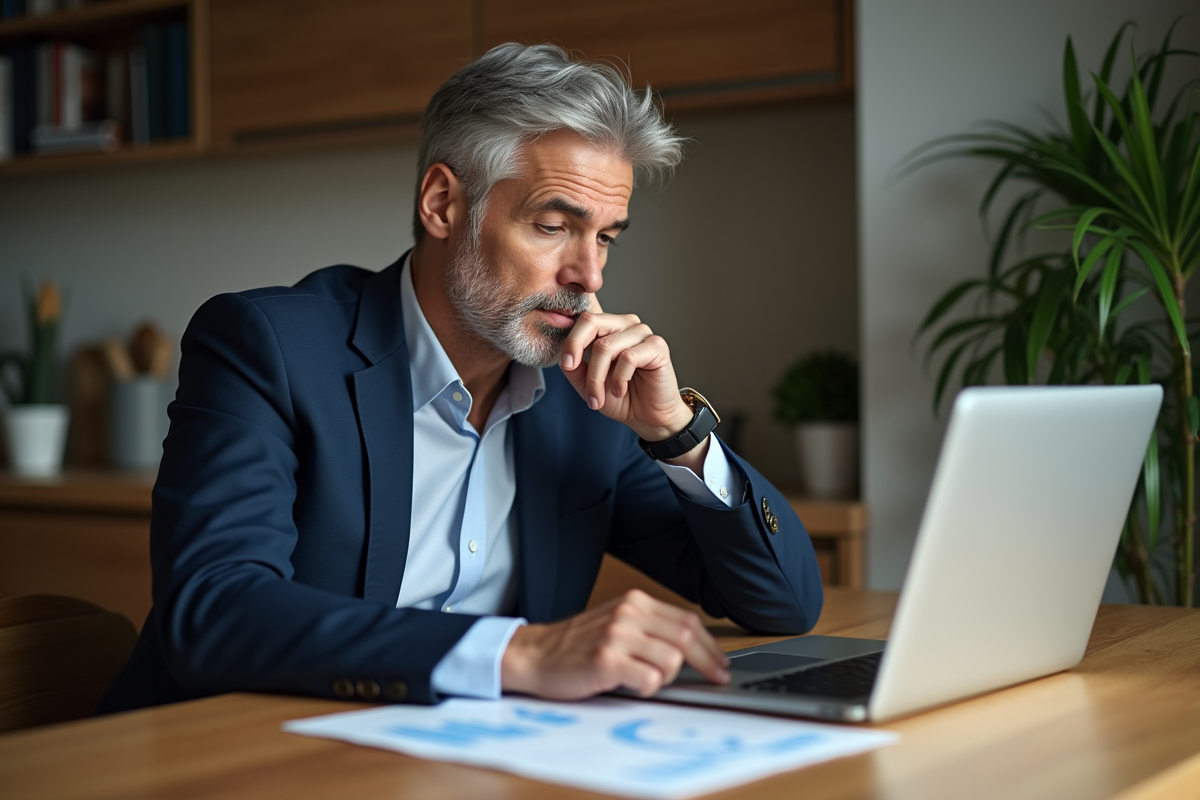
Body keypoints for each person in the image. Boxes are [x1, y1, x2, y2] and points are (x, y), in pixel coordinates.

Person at [98, 43, 823, 714]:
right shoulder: (268, 346)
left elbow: (784, 604)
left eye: (604, 236)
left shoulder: (587, 399)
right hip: (229, 755)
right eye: (553, 226)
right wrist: (520, 653)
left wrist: (678, 434)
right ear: (443, 204)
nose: (590, 275)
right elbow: (213, 612)